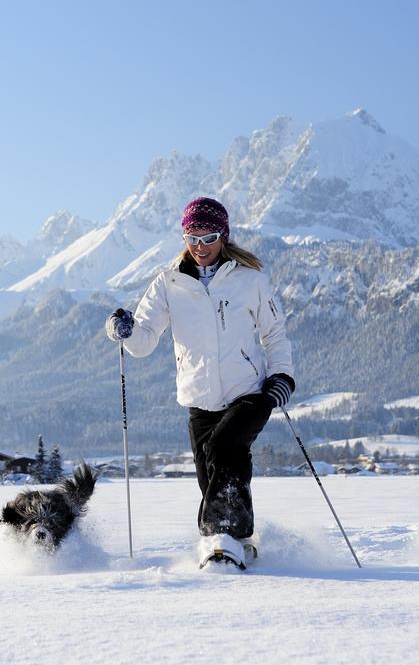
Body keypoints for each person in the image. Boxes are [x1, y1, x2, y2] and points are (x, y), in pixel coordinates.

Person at [104, 197, 295, 566]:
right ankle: (232, 539)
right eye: (192, 237)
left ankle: (226, 535)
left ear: (223, 236)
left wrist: (282, 376)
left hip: (249, 392)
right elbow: (143, 341)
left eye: (208, 237)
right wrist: (123, 331)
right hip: (199, 398)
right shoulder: (168, 283)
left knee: (224, 448)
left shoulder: (249, 280)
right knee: (212, 477)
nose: (200, 246)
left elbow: (275, 334)